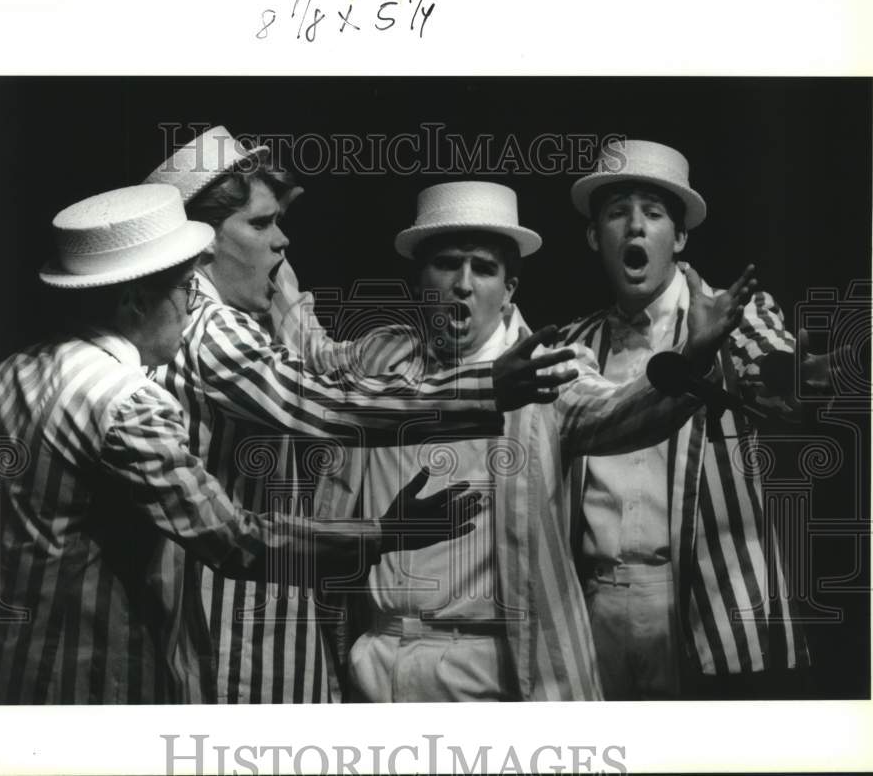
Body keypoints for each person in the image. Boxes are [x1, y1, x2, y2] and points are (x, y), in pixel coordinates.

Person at [0, 183, 485, 704]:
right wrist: (387, 533)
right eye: (184, 290)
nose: (195, 305)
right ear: (133, 301)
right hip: (85, 690)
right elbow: (235, 540)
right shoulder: (127, 403)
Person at [142, 128, 576, 702]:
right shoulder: (213, 330)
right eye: (261, 224)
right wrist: (486, 387)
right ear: (201, 246)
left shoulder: (224, 320)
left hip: (268, 624)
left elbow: (318, 363)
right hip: (236, 637)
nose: (282, 243)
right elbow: (326, 405)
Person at [298, 180, 756, 701]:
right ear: (420, 278)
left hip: (492, 673)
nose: (463, 284)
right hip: (375, 667)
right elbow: (301, 354)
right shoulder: (377, 364)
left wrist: (692, 358)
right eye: (447, 264)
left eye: (484, 268)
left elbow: (623, 414)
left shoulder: (545, 373)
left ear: (510, 288)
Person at [561, 139, 813, 699]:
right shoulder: (575, 344)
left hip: (702, 602)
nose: (634, 228)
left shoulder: (733, 316)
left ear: (677, 238)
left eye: (652, 214)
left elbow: (788, 382)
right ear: (593, 236)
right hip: (594, 601)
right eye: (617, 214)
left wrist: (816, 373)